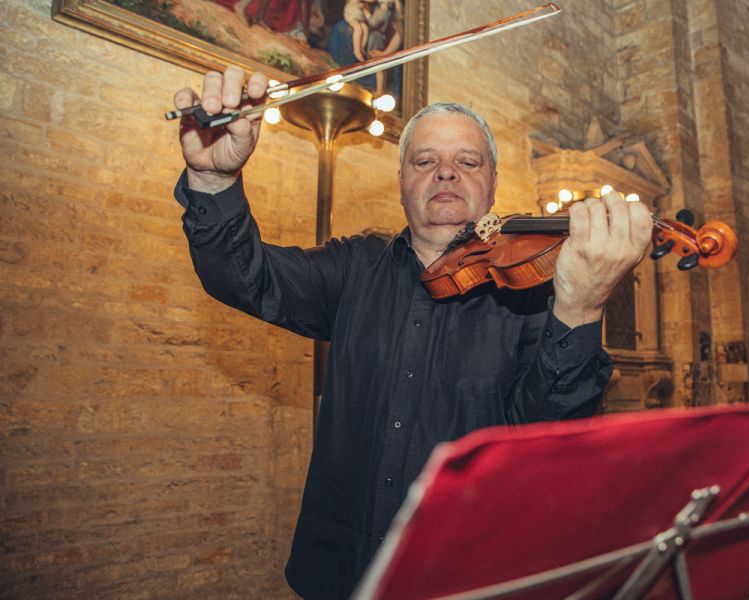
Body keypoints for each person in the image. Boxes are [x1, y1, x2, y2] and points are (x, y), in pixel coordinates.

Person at [172, 66, 653, 599]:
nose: (446, 173)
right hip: (341, 575)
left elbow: (549, 443)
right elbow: (243, 277)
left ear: (492, 183)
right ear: (402, 180)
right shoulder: (353, 266)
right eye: (425, 161)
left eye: (467, 162)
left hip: (465, 579)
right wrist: (214, 181)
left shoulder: (541, 292)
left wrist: (581, 306)